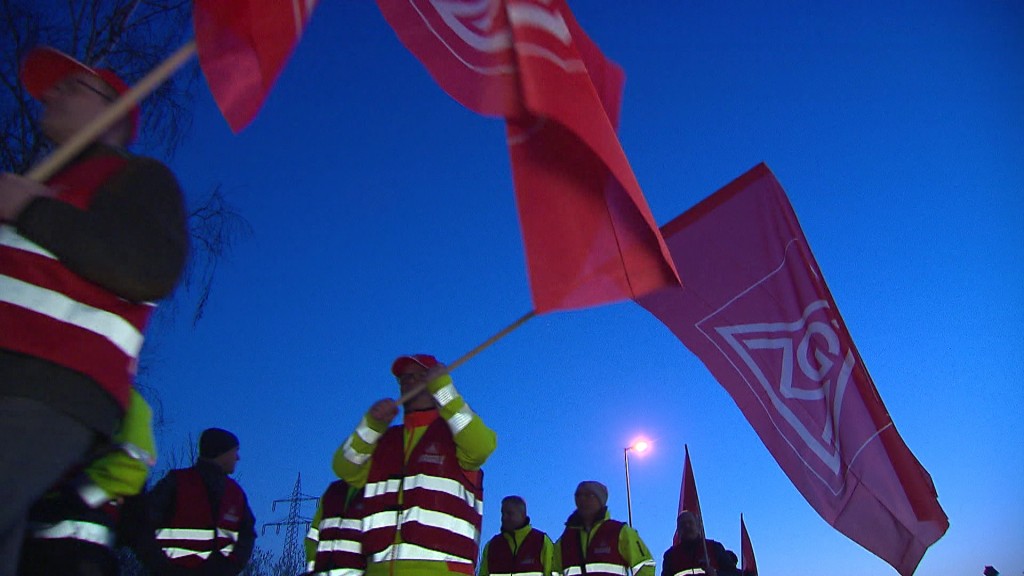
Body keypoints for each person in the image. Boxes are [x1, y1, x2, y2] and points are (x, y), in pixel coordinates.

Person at [0, 45, 188, 575]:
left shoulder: (135, 178)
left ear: (112, 112)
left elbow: (149, 267)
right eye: (51, 86)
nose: (52, 92)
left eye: (71, 85)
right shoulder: (38, 182)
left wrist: (29, 210)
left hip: (47, 384)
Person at [332, 354, 497, 576]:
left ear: (433, 380)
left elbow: (482, 446)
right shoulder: (385, 441)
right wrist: (371, 425)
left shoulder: (455, 435)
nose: (409, 381)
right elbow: (344, 467)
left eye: (418, 375)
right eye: (404, 378)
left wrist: (445, 391)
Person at [19, 389, 156, 576]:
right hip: (52, 545)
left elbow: (131, 463)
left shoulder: (33, 380)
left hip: (76, 549)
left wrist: (75, 498)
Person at [147, 428, 256, 575]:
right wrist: (161, 566)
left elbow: (247, 534)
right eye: (235, 451)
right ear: (221, 452)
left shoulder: (235, 493)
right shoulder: (177, 483)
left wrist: (231, 567)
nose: (238, 457)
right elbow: (144, 522)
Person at [553, 481, 655, 576]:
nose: (582, 499)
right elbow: (554, 572)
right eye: (578, 495)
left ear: (600, 501)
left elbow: (645, 565)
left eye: (589, 495)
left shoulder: (619, 532)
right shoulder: (565, 540)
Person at [479, 495, 555, 576]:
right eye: (502, 513)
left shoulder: (541, 542)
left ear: (522, 515)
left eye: (509, 513)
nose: (504, 517)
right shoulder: (492, 546)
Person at [305, 478, 365, 576]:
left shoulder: (375, 490)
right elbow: (313, 535)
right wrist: (313, 569)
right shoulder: (334, 490)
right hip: (323, 570)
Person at [661, 511, 729, 576]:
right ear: (678, 531)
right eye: (682, 524)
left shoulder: (714, 548)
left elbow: (734, 573)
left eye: (690, 522)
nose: (687, 526)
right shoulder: (671, 556)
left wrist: (717, 574)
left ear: (698, 526)